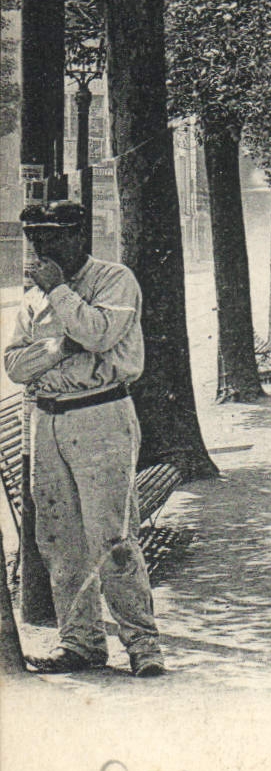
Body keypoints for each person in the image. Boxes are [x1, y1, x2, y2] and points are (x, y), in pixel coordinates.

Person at [3, 201, 164, 677]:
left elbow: (96, 334)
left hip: (101, 415)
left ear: (78, 237)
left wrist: (60, 296)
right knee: (60, 540)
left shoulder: (114, 279)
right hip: (47, 420)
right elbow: (14, 365)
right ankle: (81, 643)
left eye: (50, 238)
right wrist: (57, 346)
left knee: (112, 537)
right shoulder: (33, 297)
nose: (40, 248)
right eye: (34, 239)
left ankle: (142, 644)